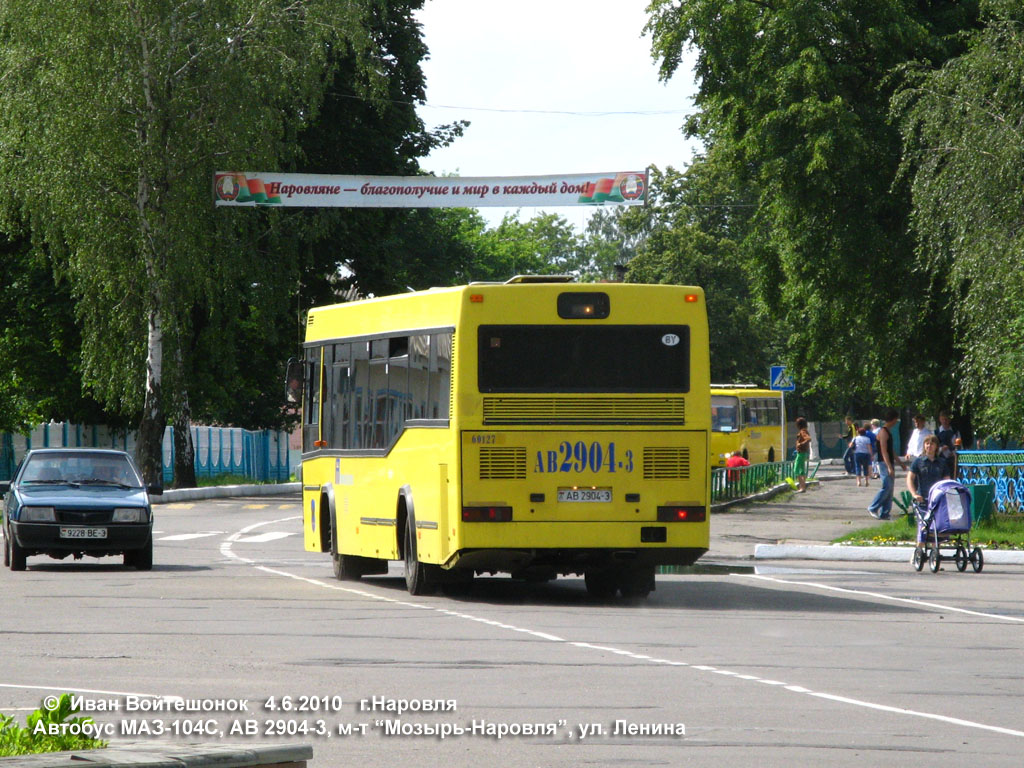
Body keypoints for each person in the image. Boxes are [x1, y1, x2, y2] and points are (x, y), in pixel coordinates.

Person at [907, 435, 952, 547]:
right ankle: (918, 553)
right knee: (923, 527)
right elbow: (910, 478)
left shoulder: (942, 462)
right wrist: (914, 494)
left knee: (936, 529)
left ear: (936, 446)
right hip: (923, 500)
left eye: (932, 444)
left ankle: (935, 554)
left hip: (937, 501)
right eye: (927, 443)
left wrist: (947, 494)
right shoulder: (918, 462)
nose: (929, 446)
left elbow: (947, 481)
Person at [868, 409, 906, 519]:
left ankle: (885, 512)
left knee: (890, 488)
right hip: (883, 463)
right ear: (893, 419)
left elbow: (891, 451)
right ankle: (873, 507)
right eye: (896, 419)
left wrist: (900, 463)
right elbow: (884, 451)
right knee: (887, 486)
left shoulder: (887, 431)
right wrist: (889, 466)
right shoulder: (883, 432)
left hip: (888, 462)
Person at [794, 417, 812, 493]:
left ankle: (802, 487)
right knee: (801, 470)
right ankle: (802, 487)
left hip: (801, 453)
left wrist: (800, 444)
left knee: (796, 469)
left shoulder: (803, 431)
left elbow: (808, 439)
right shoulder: (805, 430)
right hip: (803, 453)